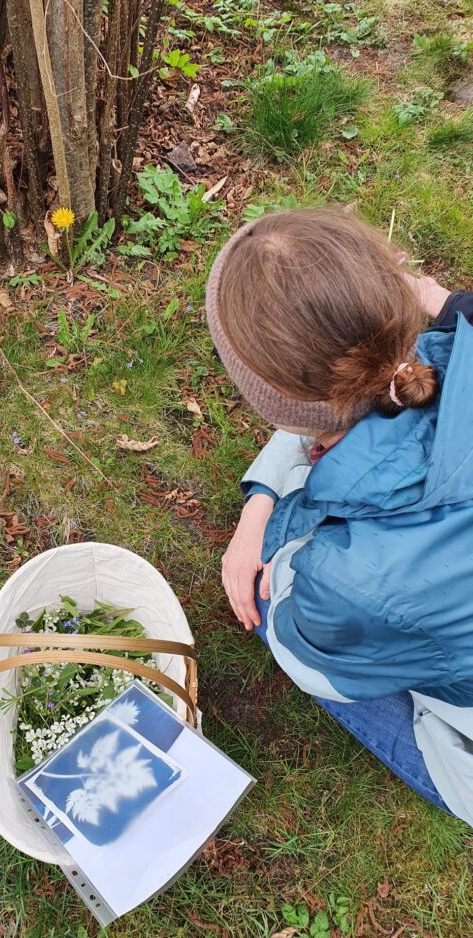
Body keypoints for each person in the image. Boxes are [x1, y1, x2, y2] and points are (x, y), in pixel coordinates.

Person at [206, 208, 473, 825]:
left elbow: (308, 653)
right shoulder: (450, 339)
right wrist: (260, 503)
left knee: (276, 610)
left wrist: (270, 527)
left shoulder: (338, 577)